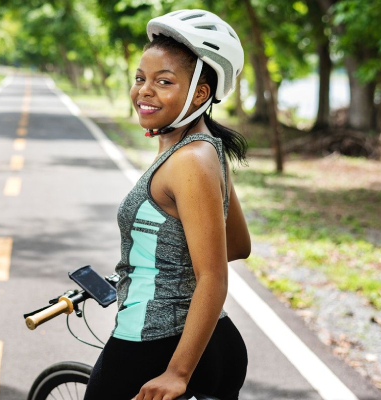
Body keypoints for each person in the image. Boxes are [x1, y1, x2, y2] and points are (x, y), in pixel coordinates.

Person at [83, 10, 251, 400]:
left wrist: (177, 373)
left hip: (155, 348)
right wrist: (153, 266)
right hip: (216, 343)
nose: (144, 90)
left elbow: (212, 277)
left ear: (199, 94)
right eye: (140, 78)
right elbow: (237, 244)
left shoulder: (189, 161)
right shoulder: (207, 149)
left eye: (164, 81)